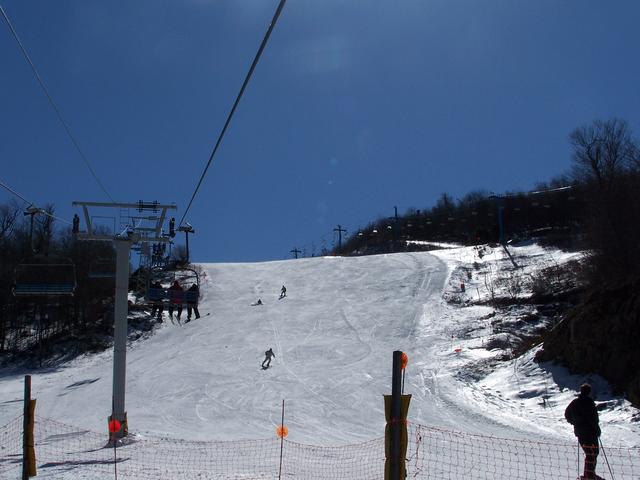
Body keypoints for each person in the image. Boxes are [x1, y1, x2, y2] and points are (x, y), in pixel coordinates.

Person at [565, 383, 602, 479]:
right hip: (591, 432)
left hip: (580, 433)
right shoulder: (589, 402)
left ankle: (589, 474)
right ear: (588, 392)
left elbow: (567, 414)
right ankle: (589, 475)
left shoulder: (575, 402)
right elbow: (593, 419)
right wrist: (597, 429)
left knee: (589, 453)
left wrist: (574, 423)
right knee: (593, 453)